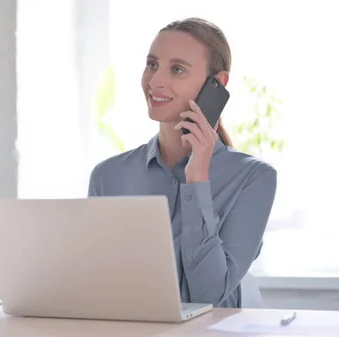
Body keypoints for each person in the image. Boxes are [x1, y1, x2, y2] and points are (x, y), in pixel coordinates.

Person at [87, 17, 277, 308]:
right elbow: (97, 283)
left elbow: (207, 296)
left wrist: (197, 177)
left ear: (217, 83)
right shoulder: (108, 175)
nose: (155, 81)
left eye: (177, 69)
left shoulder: (253, 178)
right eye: (152, 65)